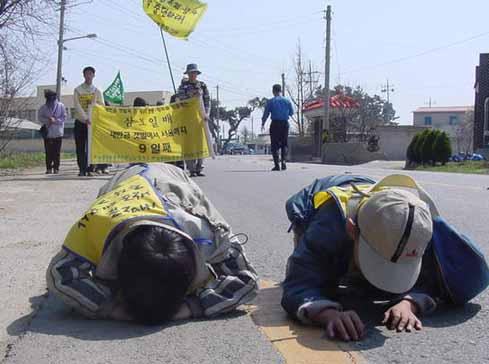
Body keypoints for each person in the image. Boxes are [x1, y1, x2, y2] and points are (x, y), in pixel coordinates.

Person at [282, 174, 489, 341]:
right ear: (352, 230)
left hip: (372, 203)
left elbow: (432, 280)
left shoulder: (411, 226)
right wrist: (326, 313)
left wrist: (410, 302)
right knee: (324, 273)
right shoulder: (330, 227)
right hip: (319, 204)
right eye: (377, 259)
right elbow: (299, 283)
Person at [46, 163, 258, 324]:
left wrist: (192, 306)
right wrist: (109, 306)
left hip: (173, 178)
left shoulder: (206, 231)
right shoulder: (97, 223)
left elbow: (247, 280)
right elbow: (59, 276)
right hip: (125, 179)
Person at [176, 63, 210, 177]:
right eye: (191, 73)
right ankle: (191, 169)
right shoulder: (183, 87)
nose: (193, 75)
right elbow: (181, 100)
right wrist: (191, 96)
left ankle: (199, 167)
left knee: (200, 143)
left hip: (200, 118)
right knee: (189, 144)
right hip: (187, 118)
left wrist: (206, 114)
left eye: (194, 73)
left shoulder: (202, 85)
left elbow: (207, 100)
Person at [74, 66, 104, 176]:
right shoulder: (78, 90)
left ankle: (91, 168)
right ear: (83, 75)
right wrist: (85, 118)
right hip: (80, 122)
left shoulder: (97, 91)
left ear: (93, 76)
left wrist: (94, 117)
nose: (88, 76)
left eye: (90, 74)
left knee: (92, 147)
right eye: (86, 74)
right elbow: (77, 106)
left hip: (93, 123)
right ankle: (82, 169)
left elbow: (101, 106)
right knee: (80, 147)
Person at [261, 84, 294, 171]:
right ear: (281, 91)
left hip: (275, 124)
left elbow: (266, 113)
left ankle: (277, 165)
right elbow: (291, 113)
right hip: (285, 124)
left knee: (274, 145)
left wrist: (263, 123)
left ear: (273, 91)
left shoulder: (271, 101)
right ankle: (283, 162)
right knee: (284, 144)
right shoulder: (287, 101)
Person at [38, 89, 66, 174]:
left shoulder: (61, 106)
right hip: (48, 133)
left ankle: (56, 168)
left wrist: (55, 120)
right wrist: (48, 120)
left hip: (58, 132)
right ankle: (49, 168)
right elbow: (40, 117)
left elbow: (64, 117)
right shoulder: (43, 107)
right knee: (48, 152)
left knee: (57, 152)